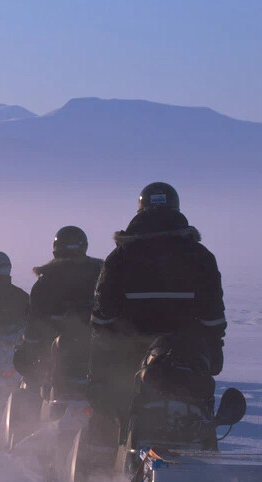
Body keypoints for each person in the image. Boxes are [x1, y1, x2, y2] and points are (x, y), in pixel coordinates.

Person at [88, 182, 225, 432]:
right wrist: (212, 352)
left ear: (140, 211)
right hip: (187, 357)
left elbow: (102, 317)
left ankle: (109, 457)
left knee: (112, 417)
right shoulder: (201, 256)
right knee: (201, 412)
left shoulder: (120, 257)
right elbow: (213, 316)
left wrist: (101, 361)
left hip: (132, 359)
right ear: (176, 209)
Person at [14, 226, 103, 391]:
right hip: (96, 355)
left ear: (56, 250)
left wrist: (25, 351)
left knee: (28, 377)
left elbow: (35, 324)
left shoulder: (44, 283)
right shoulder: (103, 277)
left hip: (57, 358)